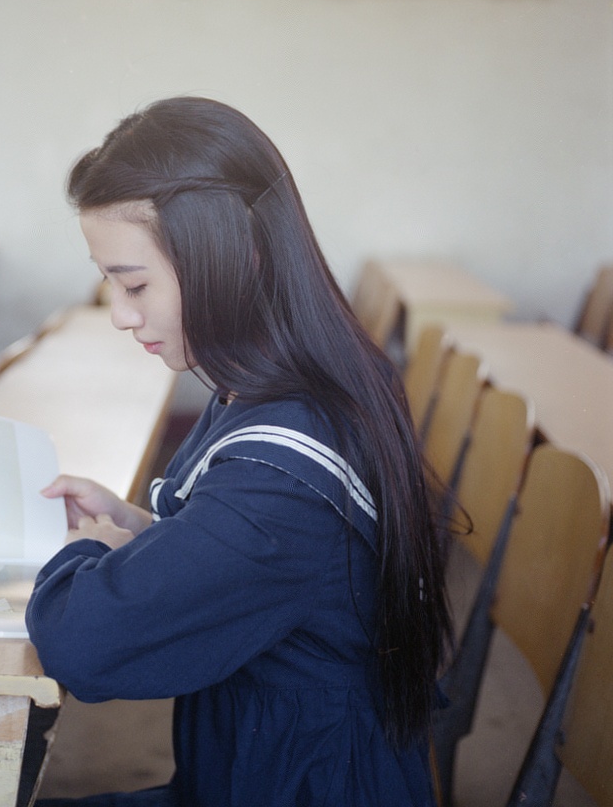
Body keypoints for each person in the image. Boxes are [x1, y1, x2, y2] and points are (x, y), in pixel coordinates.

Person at [26, 97, 451, 807]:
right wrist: (143, 533)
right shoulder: (277, 386)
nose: (122, 313)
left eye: (135, 283)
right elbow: (257, 566)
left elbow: (84, 643)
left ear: (235, 256)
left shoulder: (283, 473)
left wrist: (87, 555)